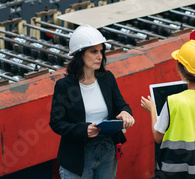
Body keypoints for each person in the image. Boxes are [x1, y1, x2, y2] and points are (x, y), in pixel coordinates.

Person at [49, 25, 135, 179]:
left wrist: (125, 113)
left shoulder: (107, 78)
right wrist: (83, 130)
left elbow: (121, 105)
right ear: (80, 54)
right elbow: (56, 122)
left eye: (101, 51)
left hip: (107, 150)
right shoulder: (65, 86)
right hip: (78, 154)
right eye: (94, 51)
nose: (99, 56)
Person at [141, 40, 195, 179]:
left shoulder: (174, 101)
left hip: (175, 173)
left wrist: (152, 110)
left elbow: (157, 136)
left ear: (181, 71)